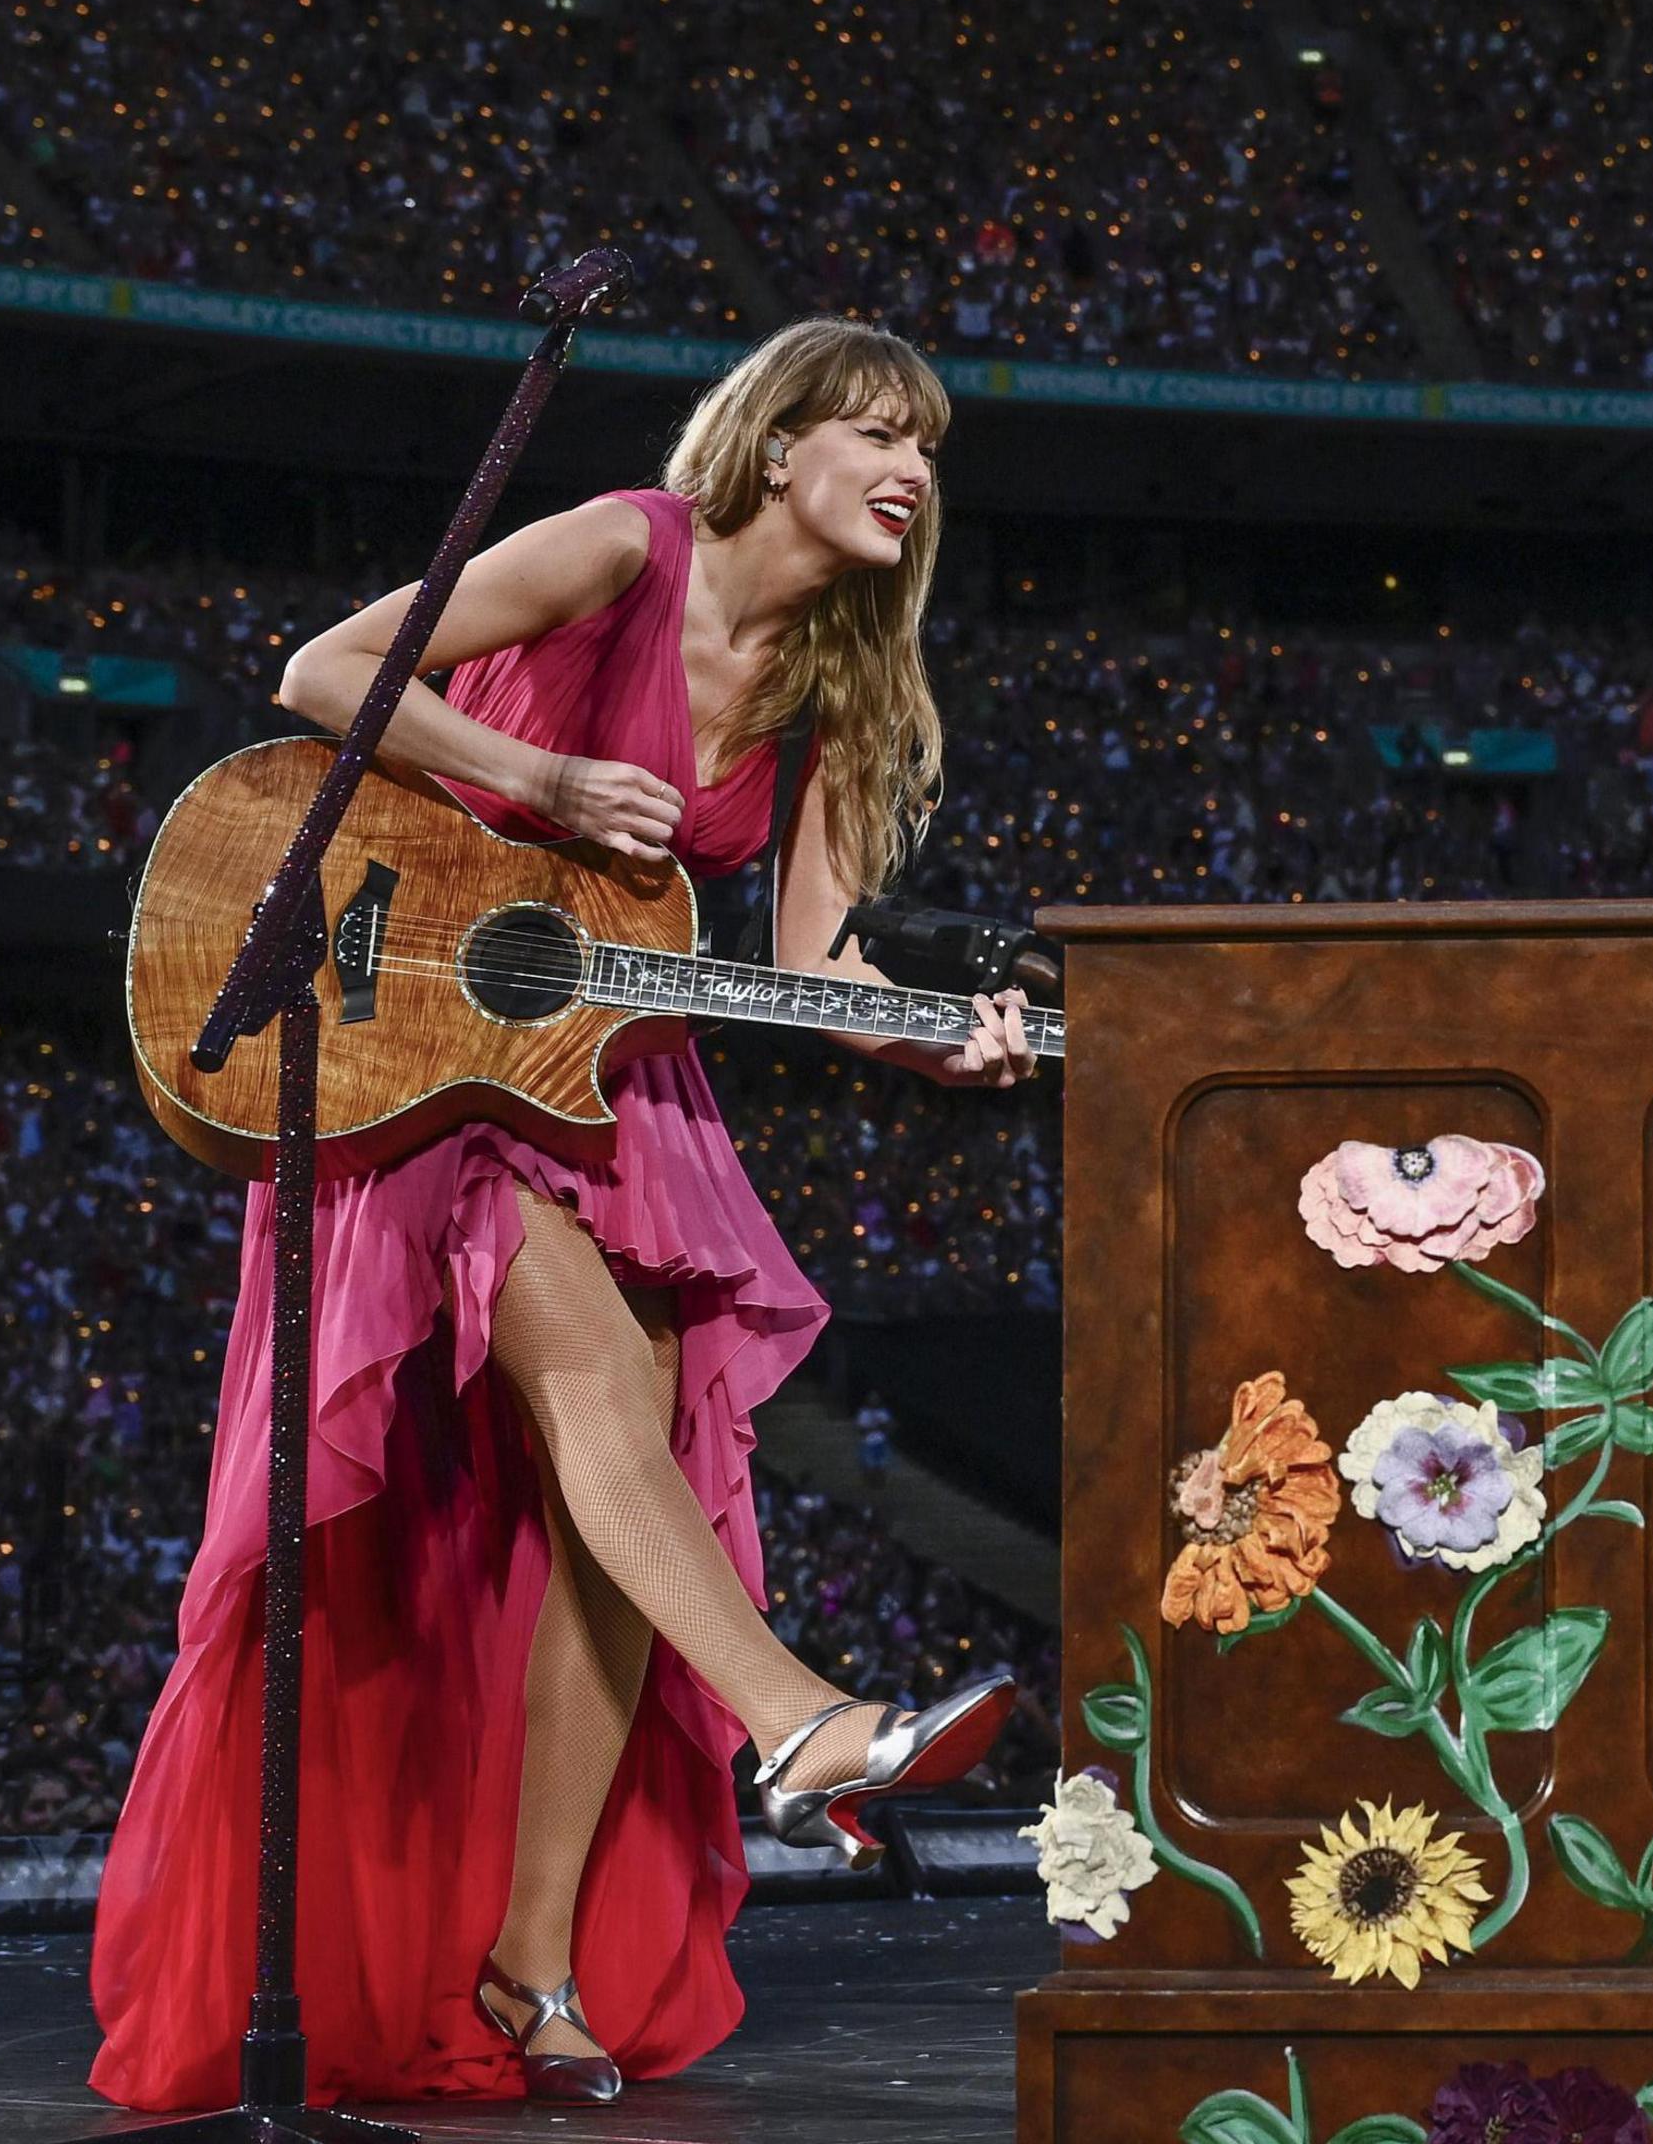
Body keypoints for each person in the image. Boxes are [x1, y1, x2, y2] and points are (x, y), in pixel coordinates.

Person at [88, 318, 1035, 2112]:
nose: (913, 468)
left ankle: (533, 1964)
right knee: (606, 1389)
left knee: (635, 1482)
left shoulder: (835, 687)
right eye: (877, 431)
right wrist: (535, 781)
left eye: (930, 445)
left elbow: (819, 966)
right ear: (775, 448)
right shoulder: (623, 538)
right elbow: (328, 668)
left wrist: (935, 1047)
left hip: (626, 1092)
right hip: (428, 1060)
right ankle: (804, 1725)